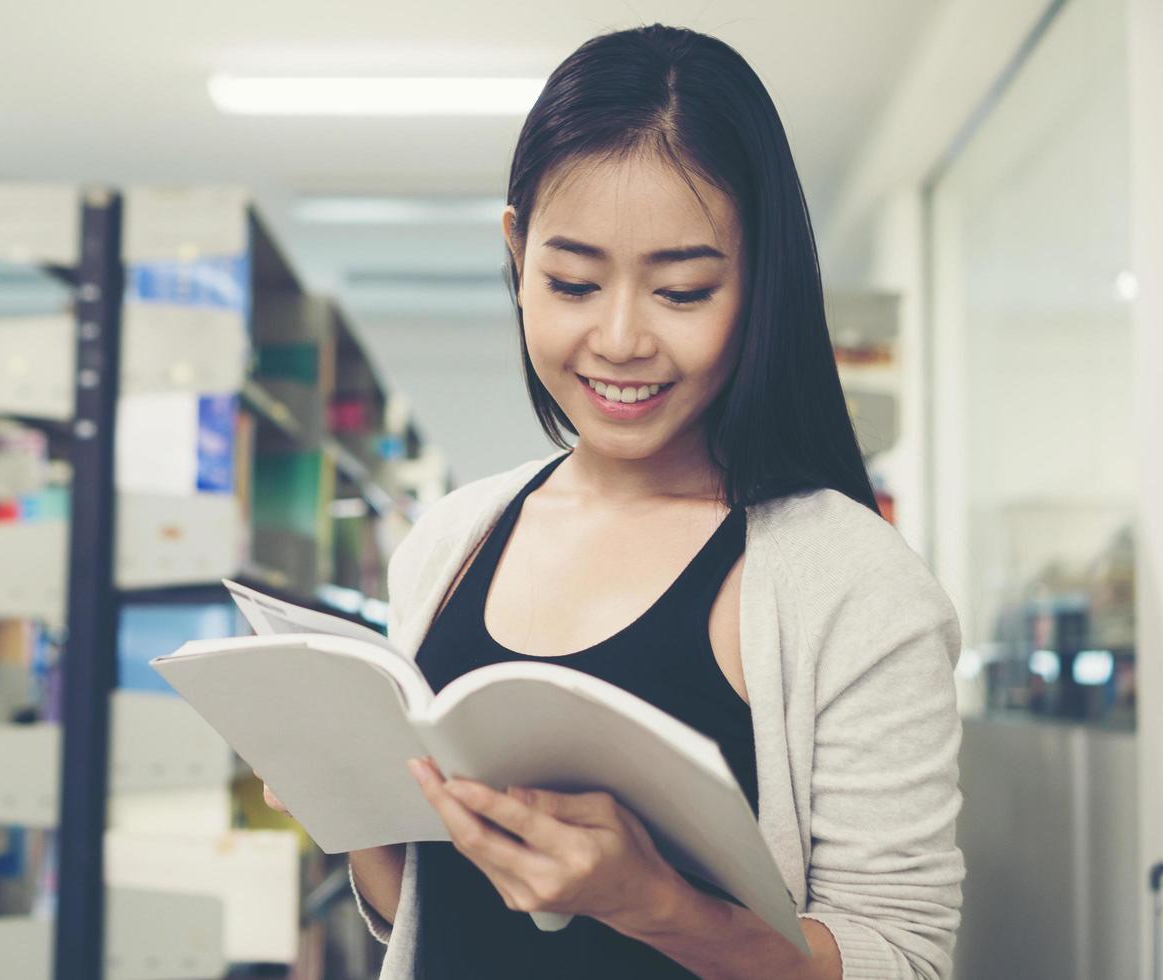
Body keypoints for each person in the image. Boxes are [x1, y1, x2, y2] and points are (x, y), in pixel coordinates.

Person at [262, 22, 964, 980]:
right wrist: (349, 812)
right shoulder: (451, 540)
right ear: (517, 255)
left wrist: (657, 907)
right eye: (574, 281)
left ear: (759, 282)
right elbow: (431, 918)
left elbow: (907, 960)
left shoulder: (853, 583)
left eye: (681, 291)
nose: (621, 338)